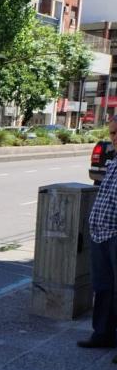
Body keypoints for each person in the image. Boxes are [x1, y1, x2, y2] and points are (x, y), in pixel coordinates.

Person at [80, 115, 117, 351]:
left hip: (115, 235)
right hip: (101, 234)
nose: (115, 139)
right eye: (112, 134)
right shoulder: (113, 163)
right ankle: (102, 334)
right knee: (103, 287)